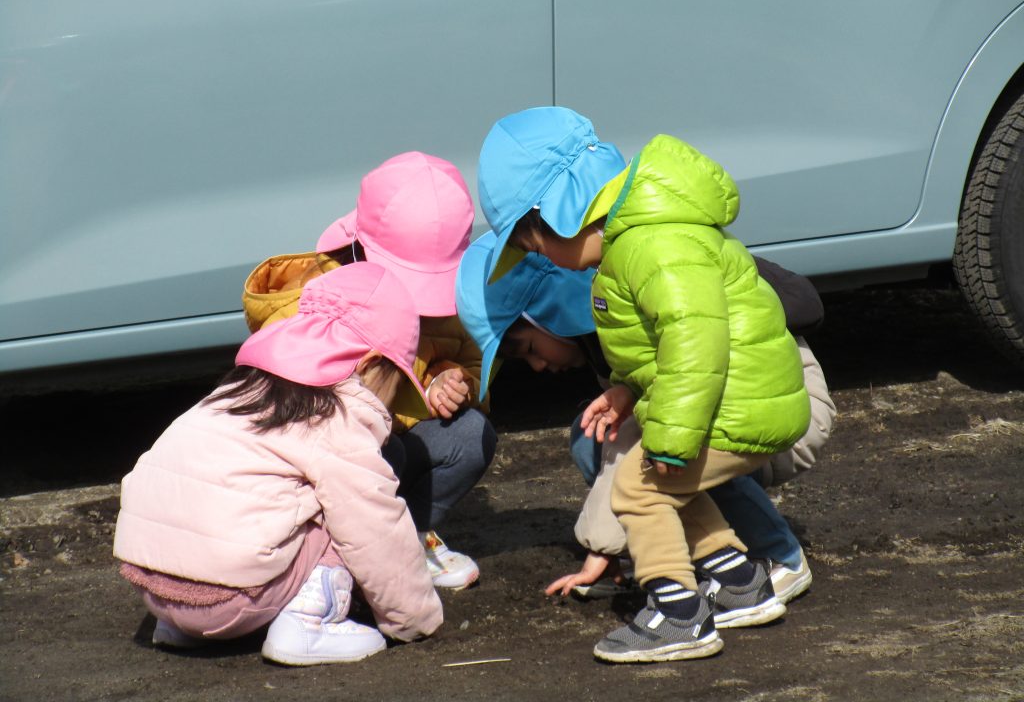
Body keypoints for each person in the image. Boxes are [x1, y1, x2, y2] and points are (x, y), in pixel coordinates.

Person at [477, 106, 811, 663]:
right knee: (666, 483)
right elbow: (668, 347)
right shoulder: (638, 240)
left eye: (536, 247)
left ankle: (678, 615)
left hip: (737, 402)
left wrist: (670, 439)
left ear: (559, 212)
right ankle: (738, 583)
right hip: (734, 396)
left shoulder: (651, 244)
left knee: (640, 487)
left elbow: (694, 340)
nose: (548, 261)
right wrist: (629, 391)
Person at [456, 232, 835, 605]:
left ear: (552, 313)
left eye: (529, 348)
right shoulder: (603, 315)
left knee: (674, 445)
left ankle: (778, 555)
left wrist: (602, 548)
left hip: (783, 409)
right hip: (722, 411)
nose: (537, 365)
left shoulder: (650, 279)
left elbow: (806, 303)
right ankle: (694, 554)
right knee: (596, 437)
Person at [113, 263, 443, 666]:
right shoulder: (337, 412)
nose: (388, 408)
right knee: (346, 505)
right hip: (229, 600)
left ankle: (181, 629)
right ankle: (308, 623)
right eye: (394, 385)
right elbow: (374, 525)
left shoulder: (239, 390)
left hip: (155, 590)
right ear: (370, 364)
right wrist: (414, 618)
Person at [242, 151, 495, 590]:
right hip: (324, 465)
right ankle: (324, 559)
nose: (419, 300)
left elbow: (472, 365)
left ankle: (405, 541)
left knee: (469, 434)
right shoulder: (311, 302)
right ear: (359, 250)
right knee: (376, 455)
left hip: (382, 446)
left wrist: (445, 378)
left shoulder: (448, 312)